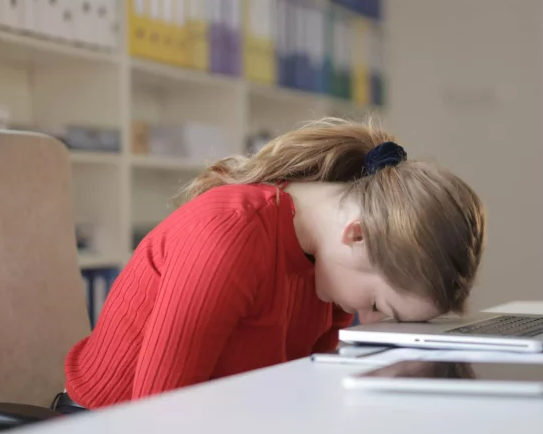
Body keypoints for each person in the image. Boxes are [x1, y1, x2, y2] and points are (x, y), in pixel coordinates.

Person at [63, 117, 486, 408]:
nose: (370, 322)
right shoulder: (230, 234)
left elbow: (300, 396)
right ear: (356, 234)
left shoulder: (329, 269)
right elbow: (158, 420)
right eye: (378, 306)